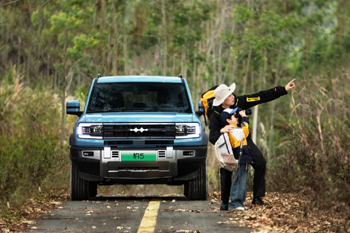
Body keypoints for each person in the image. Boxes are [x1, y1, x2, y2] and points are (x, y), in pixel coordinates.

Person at [209, 79, 296, 210]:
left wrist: (283, 89)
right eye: (229, 96)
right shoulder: (214, 114)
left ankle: (258, 198)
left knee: (260, 162)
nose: (233, 96)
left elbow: (260, 96)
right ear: (222, 102)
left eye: (232, 94)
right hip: (228, 145)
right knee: (227, 170)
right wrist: (221, 131)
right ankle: (225, 202)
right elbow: (212, 137)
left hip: (244, 140)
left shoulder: (239, 101)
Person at [220, 107, 252, 210]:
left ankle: (240, 202)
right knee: (238, 179)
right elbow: (245, 132)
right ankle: (235, 202)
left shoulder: (235, 128)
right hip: (239, 155)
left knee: (242, 179)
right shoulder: (231, 129)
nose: (237, 116)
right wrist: (245, 119)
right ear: (228, 120)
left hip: (243, 155)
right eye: (234, 116)